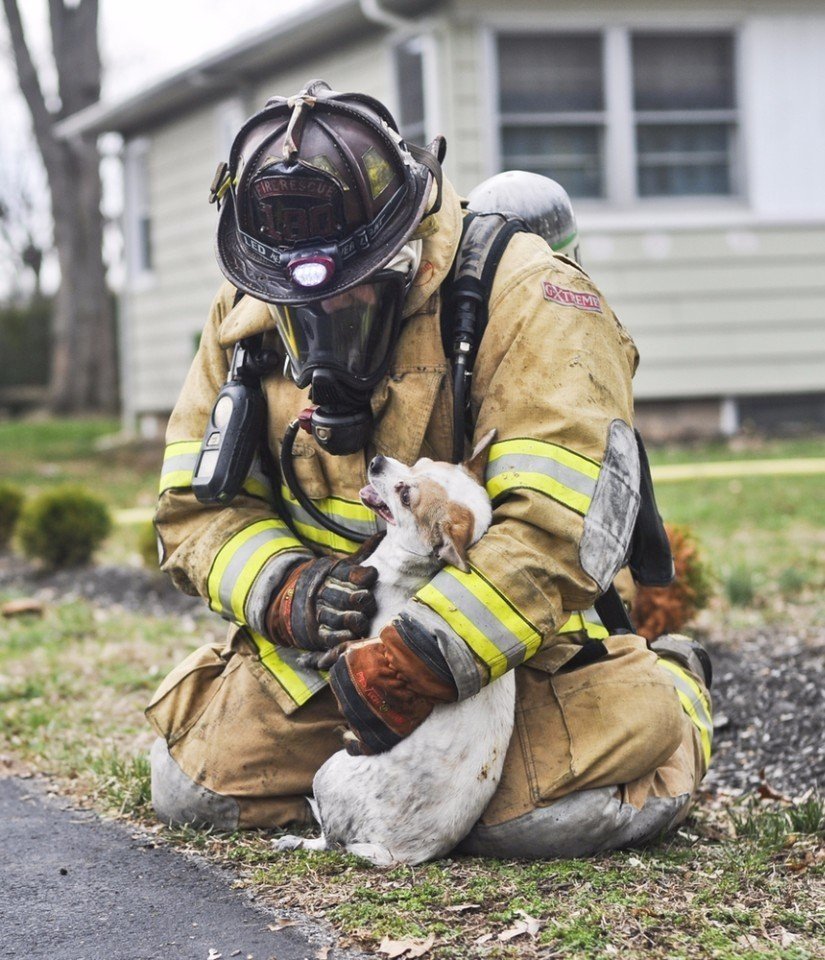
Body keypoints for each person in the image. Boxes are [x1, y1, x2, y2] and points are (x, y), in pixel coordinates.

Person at [146, 80, 713, 857]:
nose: (317, 329)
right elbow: (192, 511)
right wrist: (286, 589)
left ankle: (676, 693)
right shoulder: (244, 309)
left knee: (530, 824)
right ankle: (359, 760)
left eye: (345, 299)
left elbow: (559, 531)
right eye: (295, 304)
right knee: (198, 790)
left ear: (404, 252)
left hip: (504, 648)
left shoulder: (529, 296)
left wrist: (420, 658)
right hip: (331, 652)